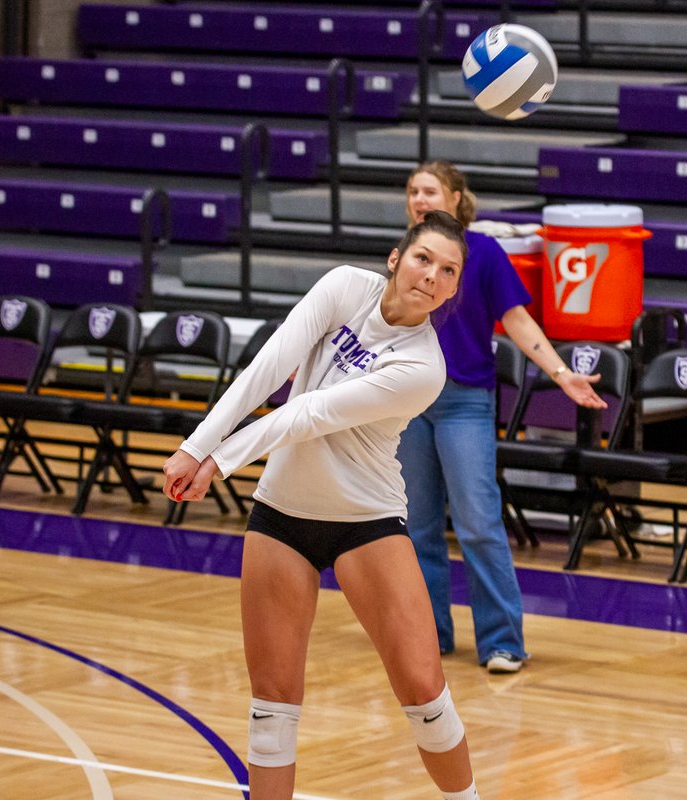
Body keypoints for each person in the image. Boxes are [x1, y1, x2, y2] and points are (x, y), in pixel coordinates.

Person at [161, 211, 483, 800]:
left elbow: (310, 413)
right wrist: (196, 444)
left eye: (447, 270)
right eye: (423, 259)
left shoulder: (424, 367)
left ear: (455, 288)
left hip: (366, 521)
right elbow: (270, 368)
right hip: (281, 515)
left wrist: (218, 461)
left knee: (423, 693)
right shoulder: (342, 287)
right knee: (272, 708)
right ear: (395, 257)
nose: (432, 275)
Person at [397, 161, 606, 675]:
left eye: (430, 190)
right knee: (416, 527)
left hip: (464, 402)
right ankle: (431, 639)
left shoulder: (484, 252)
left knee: (478, 524)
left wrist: (561, 374)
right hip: (406, 402)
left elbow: (515, 318)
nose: (420, 199)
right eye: (412, 192)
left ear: (456, 197)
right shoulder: (405, 256)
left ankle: (502, 642)